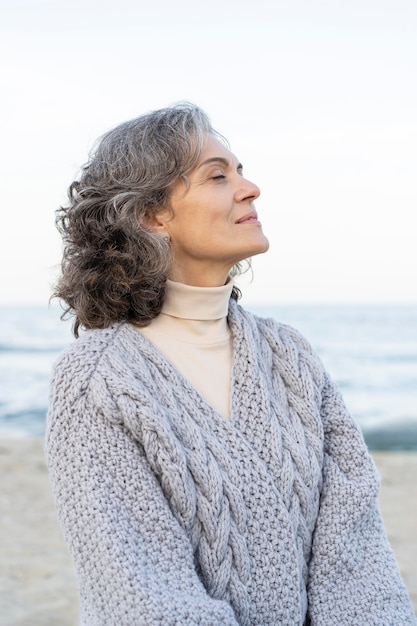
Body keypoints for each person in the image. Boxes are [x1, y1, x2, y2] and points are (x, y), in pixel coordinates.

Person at [46, 102, 416, 626]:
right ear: (151, 214)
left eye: (240, 171)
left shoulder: (292, 356)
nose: (250, 188)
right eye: (217, 176)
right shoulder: (98, 382)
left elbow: (357, 562)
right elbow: (147, 599)